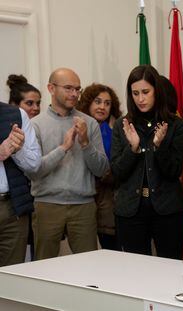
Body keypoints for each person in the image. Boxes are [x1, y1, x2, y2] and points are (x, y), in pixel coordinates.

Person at [27, 68, 109, 260]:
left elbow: (102, 169)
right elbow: (33, 171)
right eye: (68, 88)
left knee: (89, 268)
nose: (74, 94)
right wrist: (63, 148)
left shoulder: (89, 123)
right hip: (47, 205)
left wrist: (86, 143)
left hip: (83, 206)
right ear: (51, 88)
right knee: (43, 268)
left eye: (77, 89)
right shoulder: (35, 125)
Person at [111, 65, 183, 260]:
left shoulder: (174, 124)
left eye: (145, 92)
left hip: (167, 209)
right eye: (135, 93)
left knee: (170, 268)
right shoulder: (122, 124)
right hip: (131, 211)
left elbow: (174, 171)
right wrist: (133, 148)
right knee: (135, 272)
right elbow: (117, 172)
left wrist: (159, 146)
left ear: (157, 91)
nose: (140, 99)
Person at [77, 83, 122, 251]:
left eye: (107, 103)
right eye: (98, 101)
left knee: (111, 249)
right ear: (88, 102)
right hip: (82, 194)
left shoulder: (117, 128)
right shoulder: (76, 125)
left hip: (108, 197)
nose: (102, 107)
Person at [0, 101, 41, 266]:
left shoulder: (17, 115)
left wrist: (17, 150)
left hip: (13, 209)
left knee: (12, 277)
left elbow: (34, 165)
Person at [7, 74, 42, 261]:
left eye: (38, 103)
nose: (35, 108)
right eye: (30, 103)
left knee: (18, 267)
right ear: (15, 103)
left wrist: (17, 150)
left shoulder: (20, 120)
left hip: (17, 204)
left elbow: (35, 164)